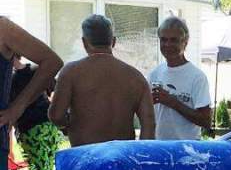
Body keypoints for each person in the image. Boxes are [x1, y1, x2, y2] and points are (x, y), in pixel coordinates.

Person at [0, 16, 62, 170]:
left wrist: (17, 107)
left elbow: (52, 62)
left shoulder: (3, 28)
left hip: (33, 128)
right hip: (33, 130)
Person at [49, 14, 155, 147]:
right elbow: (149, 123)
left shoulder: (71, 73)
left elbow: (56, 116)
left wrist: (67, 126)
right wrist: (141, 154)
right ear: (113, 41)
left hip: (85, 152)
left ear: (84, 42)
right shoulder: (136, 77)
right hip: (122, 154)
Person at [10, 58, 64, 170]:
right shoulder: (35, 69)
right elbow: (54, 92)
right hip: (49, 126)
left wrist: (9, 148)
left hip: (30, 129)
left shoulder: (8, 79)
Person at [149, 16, 211, 140]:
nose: (168, 45)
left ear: (185, 42)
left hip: (187, 147)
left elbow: (206, 121)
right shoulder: (155, 73)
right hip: (159, 146)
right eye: (163, 40)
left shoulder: (197, 77)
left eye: (174, 40)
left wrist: (172, 102)